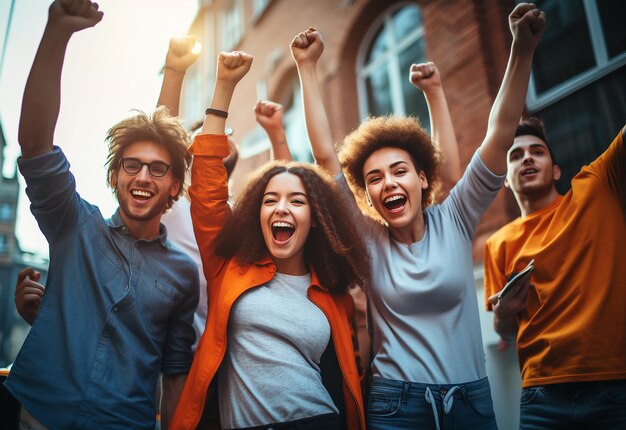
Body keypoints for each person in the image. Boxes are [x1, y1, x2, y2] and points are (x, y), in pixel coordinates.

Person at [292, 3, 545, 429]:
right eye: (375, 178)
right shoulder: (368, 238)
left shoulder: (457, 216)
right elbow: (324, 158)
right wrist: (306, 68)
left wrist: (522, 48)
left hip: (471, 401)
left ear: (423, 178)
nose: (388, 183)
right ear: (367, 195)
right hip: (396, 405)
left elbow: (500, 131)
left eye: (399, 171)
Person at [3, 1, 199, 428]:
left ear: (175, 187)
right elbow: (36, 146)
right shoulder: (76, 225)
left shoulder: (184, 275)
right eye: (132, 165)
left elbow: (175, 369)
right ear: (115, 176)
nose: (143, 176)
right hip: (38, 412)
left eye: (158, 169)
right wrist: (57, 31)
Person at [170, 50, 369, 430]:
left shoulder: (332, 294)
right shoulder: (229, 268)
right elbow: (208, 187)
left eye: (297, 201)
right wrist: (224, 88)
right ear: (255, 215)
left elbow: (351, 375)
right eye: (269, 200)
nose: (281, 208)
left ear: (314, 220)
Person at [484, 117, 626, 429]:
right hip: (540, 397)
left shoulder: (597, 185)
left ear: (556, 170)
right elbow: (505, 331)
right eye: (515, 155)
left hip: (615, 385)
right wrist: (503, 313)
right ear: (505, 179)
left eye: (537, 151)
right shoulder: (497, 244)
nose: (527, 157)